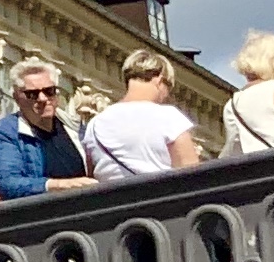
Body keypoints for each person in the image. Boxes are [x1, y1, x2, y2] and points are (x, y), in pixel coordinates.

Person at [81, 49, 204, 178]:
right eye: (169, 87)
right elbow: (191, 175)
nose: (167, 96)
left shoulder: (94, 124)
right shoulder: (169, 117)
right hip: (158, 190)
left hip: (111, 191)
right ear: (160, 81)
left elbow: (91, 176)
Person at [0, 59, 88, 198]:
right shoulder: (6, 131)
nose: (42, 98)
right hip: (42, 210)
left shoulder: (74, 127)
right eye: (32, 94)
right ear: (17, 98)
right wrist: (58, 185)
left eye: (49, 91)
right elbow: (5, 182)